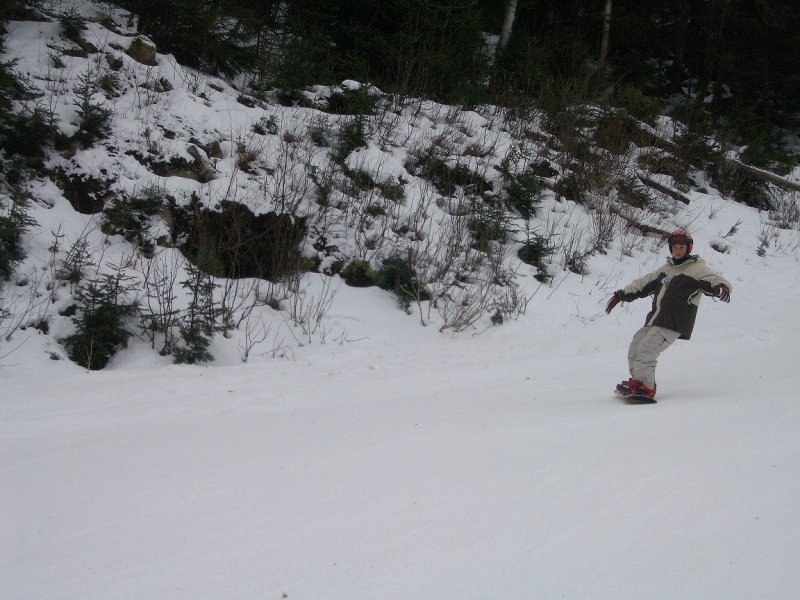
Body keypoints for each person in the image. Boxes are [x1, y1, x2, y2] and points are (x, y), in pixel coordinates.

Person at [605, 229, 732, 400]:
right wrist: (622, 294)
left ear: (689, 248)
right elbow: (644, 283)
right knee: (636, 346)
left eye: (681, 247)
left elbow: (715, 280)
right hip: (656, 318)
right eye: (674, 247)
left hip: (675, 321)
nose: (678, 250)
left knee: (647, 348)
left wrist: (722, 289)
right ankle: (639, 381)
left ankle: (646, 387)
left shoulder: (697, 269)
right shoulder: (667, 269)